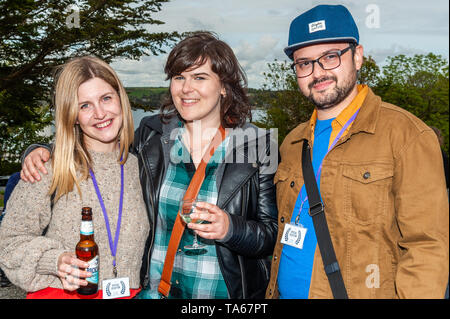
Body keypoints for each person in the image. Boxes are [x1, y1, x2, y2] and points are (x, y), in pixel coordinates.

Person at [19, 32, 278, 299]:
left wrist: (229, 228)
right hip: (155, 292)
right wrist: (41, 150)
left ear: (224, 86)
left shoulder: (258, 146)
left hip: (220, 293)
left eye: (199, 77)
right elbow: (101, 146)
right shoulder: (151, 136)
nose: (186, 88)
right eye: (179, 77)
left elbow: (270, 233)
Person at [265, 4, 449, 299]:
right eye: (304, 63)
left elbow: (426, 247)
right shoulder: (292, 143)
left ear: (358, 56)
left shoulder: (407, 137)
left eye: (330, 57)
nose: (318, 72)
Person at [0, 56, 150, 299]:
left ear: (120, 99)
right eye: (85, 106)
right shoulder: (48, 167)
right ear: (72, 115)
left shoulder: (142, 166)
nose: (100, 113)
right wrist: (54, 260)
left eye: (106, 98)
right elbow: (7, 243)